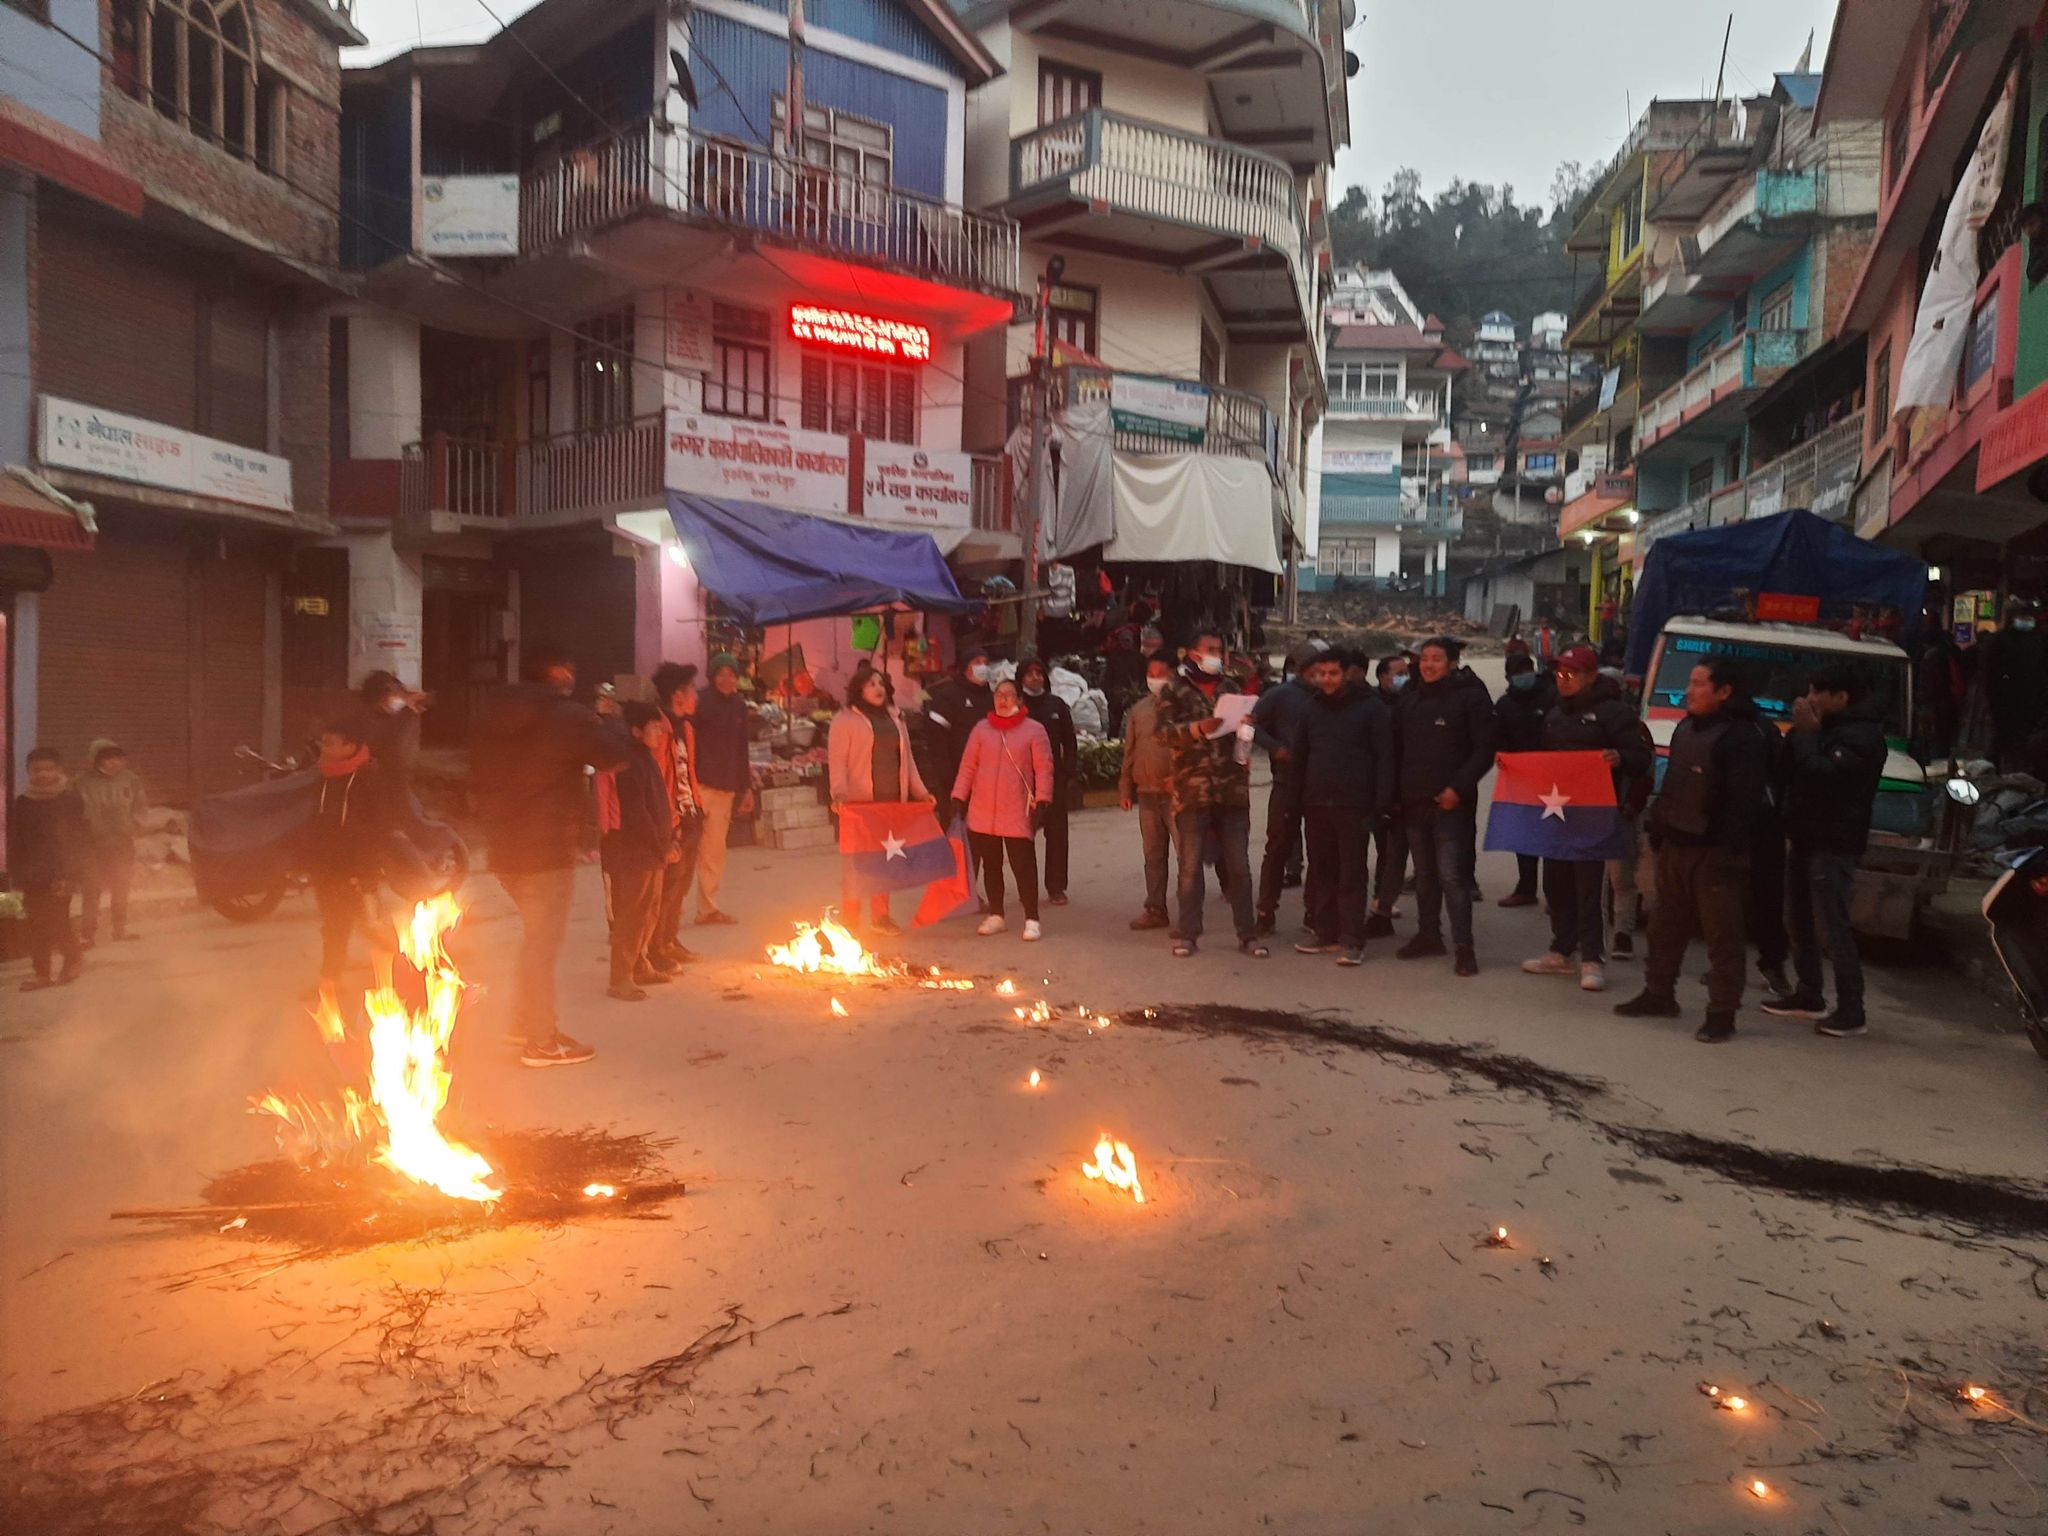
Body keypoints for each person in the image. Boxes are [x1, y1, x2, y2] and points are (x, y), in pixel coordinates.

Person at [471, 653, 629, 1068]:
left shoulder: (494, 712)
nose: (572, 676)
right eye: (567, 669)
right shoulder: (567, 716)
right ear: (556, 672)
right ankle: (541, 1040)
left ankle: (523, 1021)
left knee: (534, 940)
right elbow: (614, 756)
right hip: (546, 850)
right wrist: (610, 719)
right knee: (541, 946)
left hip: (504, 845)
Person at [1614, 658, 1772, 1043]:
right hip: (1676, 843)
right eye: (1690, 682)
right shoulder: (1686, 728)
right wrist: (1659, 826)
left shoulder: (1743, 738)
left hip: (1715, 854)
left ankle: (1721, 1013)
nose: (1689, 690)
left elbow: (1744, 804)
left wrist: (1727, 850)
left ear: (1724, 691)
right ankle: (1659, 994)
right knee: (1664, 928)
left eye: (1699, 684)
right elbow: (1674, 783)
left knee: (1723, 937)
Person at [1763, 666, 1888, 1038]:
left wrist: (1807, 734)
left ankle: (1851, 1009)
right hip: (1804, 836)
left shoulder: (1863, 736)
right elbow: (1788, 772)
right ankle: (1809, 993)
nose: (1810, 699)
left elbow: (1824, 774)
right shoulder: (1822, 730)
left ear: (1842, 697)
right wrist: (1798, 735)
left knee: (1831, 926)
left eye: (1818, 692)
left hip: (1834, 844)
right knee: (1796, 918)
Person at [1519, 645, 1652, 993]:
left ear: (1591, 676)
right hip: (1557, 813)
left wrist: (1619, 756)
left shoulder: (1615, 714)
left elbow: (1642, 758)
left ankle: (1593, 958)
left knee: (1589, 889)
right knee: (1556, 885)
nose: (1562, 680)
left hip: (1593, 815)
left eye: (1571, 674)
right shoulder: (1553, 714)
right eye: (1558, 674)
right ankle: (1562, 950)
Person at [1156, 629, 1269, 959]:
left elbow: (1243, 746)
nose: (1217, 655)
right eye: (1211, 649)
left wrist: (1246, 727)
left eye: (1220, 650)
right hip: (1193, 791)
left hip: (1231, 790)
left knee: (1239, 868)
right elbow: (1161, 734)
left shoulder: (1231, 688)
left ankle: (1247, 935)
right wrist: (1196, 729)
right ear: (1193, 653)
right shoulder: (1174, 689)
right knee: (1190, 870)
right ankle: (1188, 935)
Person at [1392, 636, 1494, 975]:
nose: (1428, 664)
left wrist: (1458, 788)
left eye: (1436, 658)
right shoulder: (1409, 700)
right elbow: (1396, 750)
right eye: (1424, 658)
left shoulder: (1470, 699)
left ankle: (1464, 947)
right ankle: (1428, 934)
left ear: (1451, 663)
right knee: (1424, 875)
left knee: (1452, 876)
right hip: (1414, 801)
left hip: (1452, 804)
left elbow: (1484, 750)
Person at [1289, 649, 1394, 965]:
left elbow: (1385, 758)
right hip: (1316, 803)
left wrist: (1381, 804)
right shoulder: (1311, 708)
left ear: (1347, 673)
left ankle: (1352, 940)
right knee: (1322, 871)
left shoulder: (1372, 708)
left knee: (1352, 874)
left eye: (1332, 673)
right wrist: (1296, 800)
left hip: (1354, 804)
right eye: (1320, 674)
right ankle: (1326, 933)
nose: (1326, 679)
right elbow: (1299, 757)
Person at [829, 667, 933, 936]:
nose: (878, 688)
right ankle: (850, 918)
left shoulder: (895, 717)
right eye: (870, 684)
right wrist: (839, 794)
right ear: (858, 690)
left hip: (892, 802)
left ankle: (881, 916)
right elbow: (837, 762)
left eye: (881, 683)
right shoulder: (844, 720)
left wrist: (921, 792)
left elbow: (907, 760)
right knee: (857, 863)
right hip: (859, 805)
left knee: (885, 859)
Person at [303, 716, 399, 1006]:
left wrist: (365, 871)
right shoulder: (323, 777)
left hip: (355, 870)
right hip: (326, 868)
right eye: (323, 742)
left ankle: (414, 964)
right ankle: (329, 984)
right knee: (334, 926)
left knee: (369, 925)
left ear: (350, 746)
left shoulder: (369, 778)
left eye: (330, 743)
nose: (324, 748)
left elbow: (378, 829)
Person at [951, 678, 1053, 941]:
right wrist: (958, 795)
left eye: (1009, 694)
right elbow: (968, 766)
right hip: (983, 810)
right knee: (991, 864)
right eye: (999, 694)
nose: (1003, 699)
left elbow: (1043, 767)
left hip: (1016, 808)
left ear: (1019, 699)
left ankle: (1032, 918)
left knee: (1023, 864)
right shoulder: (981, 729)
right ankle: (996, 914)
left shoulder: (1034, 730)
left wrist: (1043, 798)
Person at [600, 703, 681, 1002]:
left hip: (651, 851)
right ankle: (620, 977)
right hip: (633, 852)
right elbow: (637, 813)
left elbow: (657, 805)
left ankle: (640, 964)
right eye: (654, 727)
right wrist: (662, 845)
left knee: (650, 912)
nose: (660, 732)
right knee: (632, 915)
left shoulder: (646, 758)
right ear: (637, 731)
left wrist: (669, 838)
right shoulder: (629, 763)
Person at [1251, 641, 1324, 935]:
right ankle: (1266, 910)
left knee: (1319, 850)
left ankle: (1314, 912)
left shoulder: (1329, 696)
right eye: (1314, 668)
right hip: (1286, 784)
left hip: (1320, 786)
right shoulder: (1280, 695)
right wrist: (1275, 747)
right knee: (1277, 847)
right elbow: (1250, 725)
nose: (1320, 674)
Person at [9, 747, 88, 991]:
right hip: (32, 875)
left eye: (48, 769)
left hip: (61, 873)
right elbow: (16, 841)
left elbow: (79, 839)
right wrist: (16, 875)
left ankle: (72, 961)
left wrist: (71, 874)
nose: (43, 774)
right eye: (37, 770)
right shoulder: (22, 803)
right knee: (35, 924)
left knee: (58, 920)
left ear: (59, 770)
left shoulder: (70, 800)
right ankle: (42, 973)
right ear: (28, 772)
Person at [650, 662, 706, 968]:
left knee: (680, 886)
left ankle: (669, 940)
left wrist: (696, 806)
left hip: (689, 815)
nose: (696, 696)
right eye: (692, 690)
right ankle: (656, 948)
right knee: (666, 888)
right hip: (671, 819)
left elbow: (688, 772)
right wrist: (668, 822)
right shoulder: (659, 729)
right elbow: (658, 778)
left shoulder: (686, 728)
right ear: (677, 695)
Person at [691, 653, 754, 925]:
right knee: (683, 850)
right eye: (721, 674)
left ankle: (707, 908)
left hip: (725, 788)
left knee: (714, 851)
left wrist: (746, 788)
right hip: (698, 785)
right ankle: (665, 913)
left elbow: (742, 749)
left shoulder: (739, 705)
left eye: (731, 674)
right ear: (712, 676)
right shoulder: (699, 702)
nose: (726, 679)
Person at [1119, 654, 1177, 931]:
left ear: (1173, 674)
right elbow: (1129, 751)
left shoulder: (1186, 708)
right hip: (1147, 793)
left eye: (1160, 673)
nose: (1155, 679)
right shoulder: (1139, 710)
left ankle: (1191, 915)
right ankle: (1155, 909)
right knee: (1153, 855)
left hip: (1178, 795)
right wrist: (1125, 788)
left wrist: (1180, 778)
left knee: (1187, 857)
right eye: (1151, 674)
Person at [1492, 653, 1552, 909]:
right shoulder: (1505, 705)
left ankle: (1556, 895)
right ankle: (1526, 888)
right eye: (1518, 672)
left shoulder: (1551, 697)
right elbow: (1497, 737)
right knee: (1525, 836)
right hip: (1521, 778)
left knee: (1553, 835)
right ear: (1508, 677)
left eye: (1527, 670)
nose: (1524, 676)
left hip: (1552, 777)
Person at [1018, 656, 1077, 905]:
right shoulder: (1016, 706)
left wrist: (1068, 773)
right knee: (1023, 838)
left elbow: (1070, 742)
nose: (1035, 677)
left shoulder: (1057, 705)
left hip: (1053, 782)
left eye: (1039, 673)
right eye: (1029, 674)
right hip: (1023, 783)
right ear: (1021, 678)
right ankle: (1027, 887)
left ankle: (1056, 887)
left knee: (1057, 836)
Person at [76, 739, 146, 945]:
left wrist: (134, 827)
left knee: (121, 887)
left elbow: (140, 806)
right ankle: (88, 934)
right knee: (91, 889)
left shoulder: (131, 780)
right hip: (92, 845)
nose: (114, 762)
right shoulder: (81, 782)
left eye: (118, 758)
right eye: (108, 758)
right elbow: (72, 811)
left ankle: (119, 929)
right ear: (97, 760)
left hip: (122, 843)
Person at [1366, 653, 1413, 936]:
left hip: (1403, 789)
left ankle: (1380, 899)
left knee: (1392, 850)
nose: (1404, 677)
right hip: (1375, 787)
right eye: (1399, 673)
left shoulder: (1411, 702)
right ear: (1383, 677)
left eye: (1406, 672)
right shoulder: (1372, 706)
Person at [926, 646, 995, 826]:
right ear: (965, 667)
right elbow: (936, 741)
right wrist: (947, 777)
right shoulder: (947, 695)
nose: (983, 667)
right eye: (977, 662)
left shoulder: (993, 698)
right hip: (955, 782)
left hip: (987, 783)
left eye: (986, 663)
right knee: (955, 833)